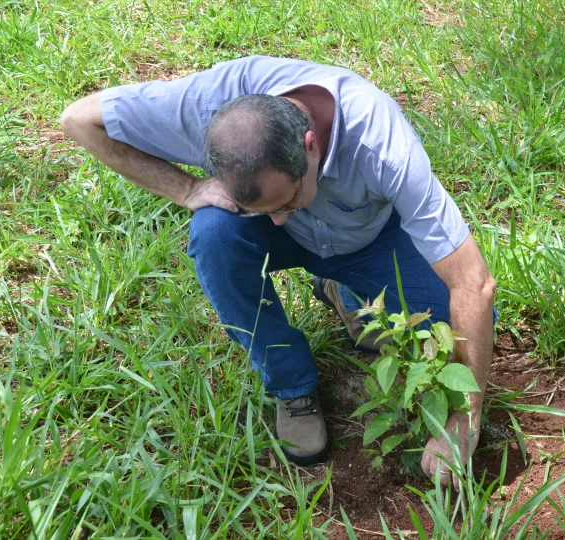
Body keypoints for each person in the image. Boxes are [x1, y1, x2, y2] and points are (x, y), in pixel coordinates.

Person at [59, 55, 496, 487]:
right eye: (266, 208)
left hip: (368, 240)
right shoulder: (206, 106)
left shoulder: (381, 143)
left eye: (286, 201)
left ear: (309, 146)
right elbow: (78, 120)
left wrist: (465, 416)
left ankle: (344, 292)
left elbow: (472, 284)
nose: (280, 218)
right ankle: (292, 385)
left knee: (465, 325)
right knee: (213, 233)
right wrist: (186, 187)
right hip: (268, 238)